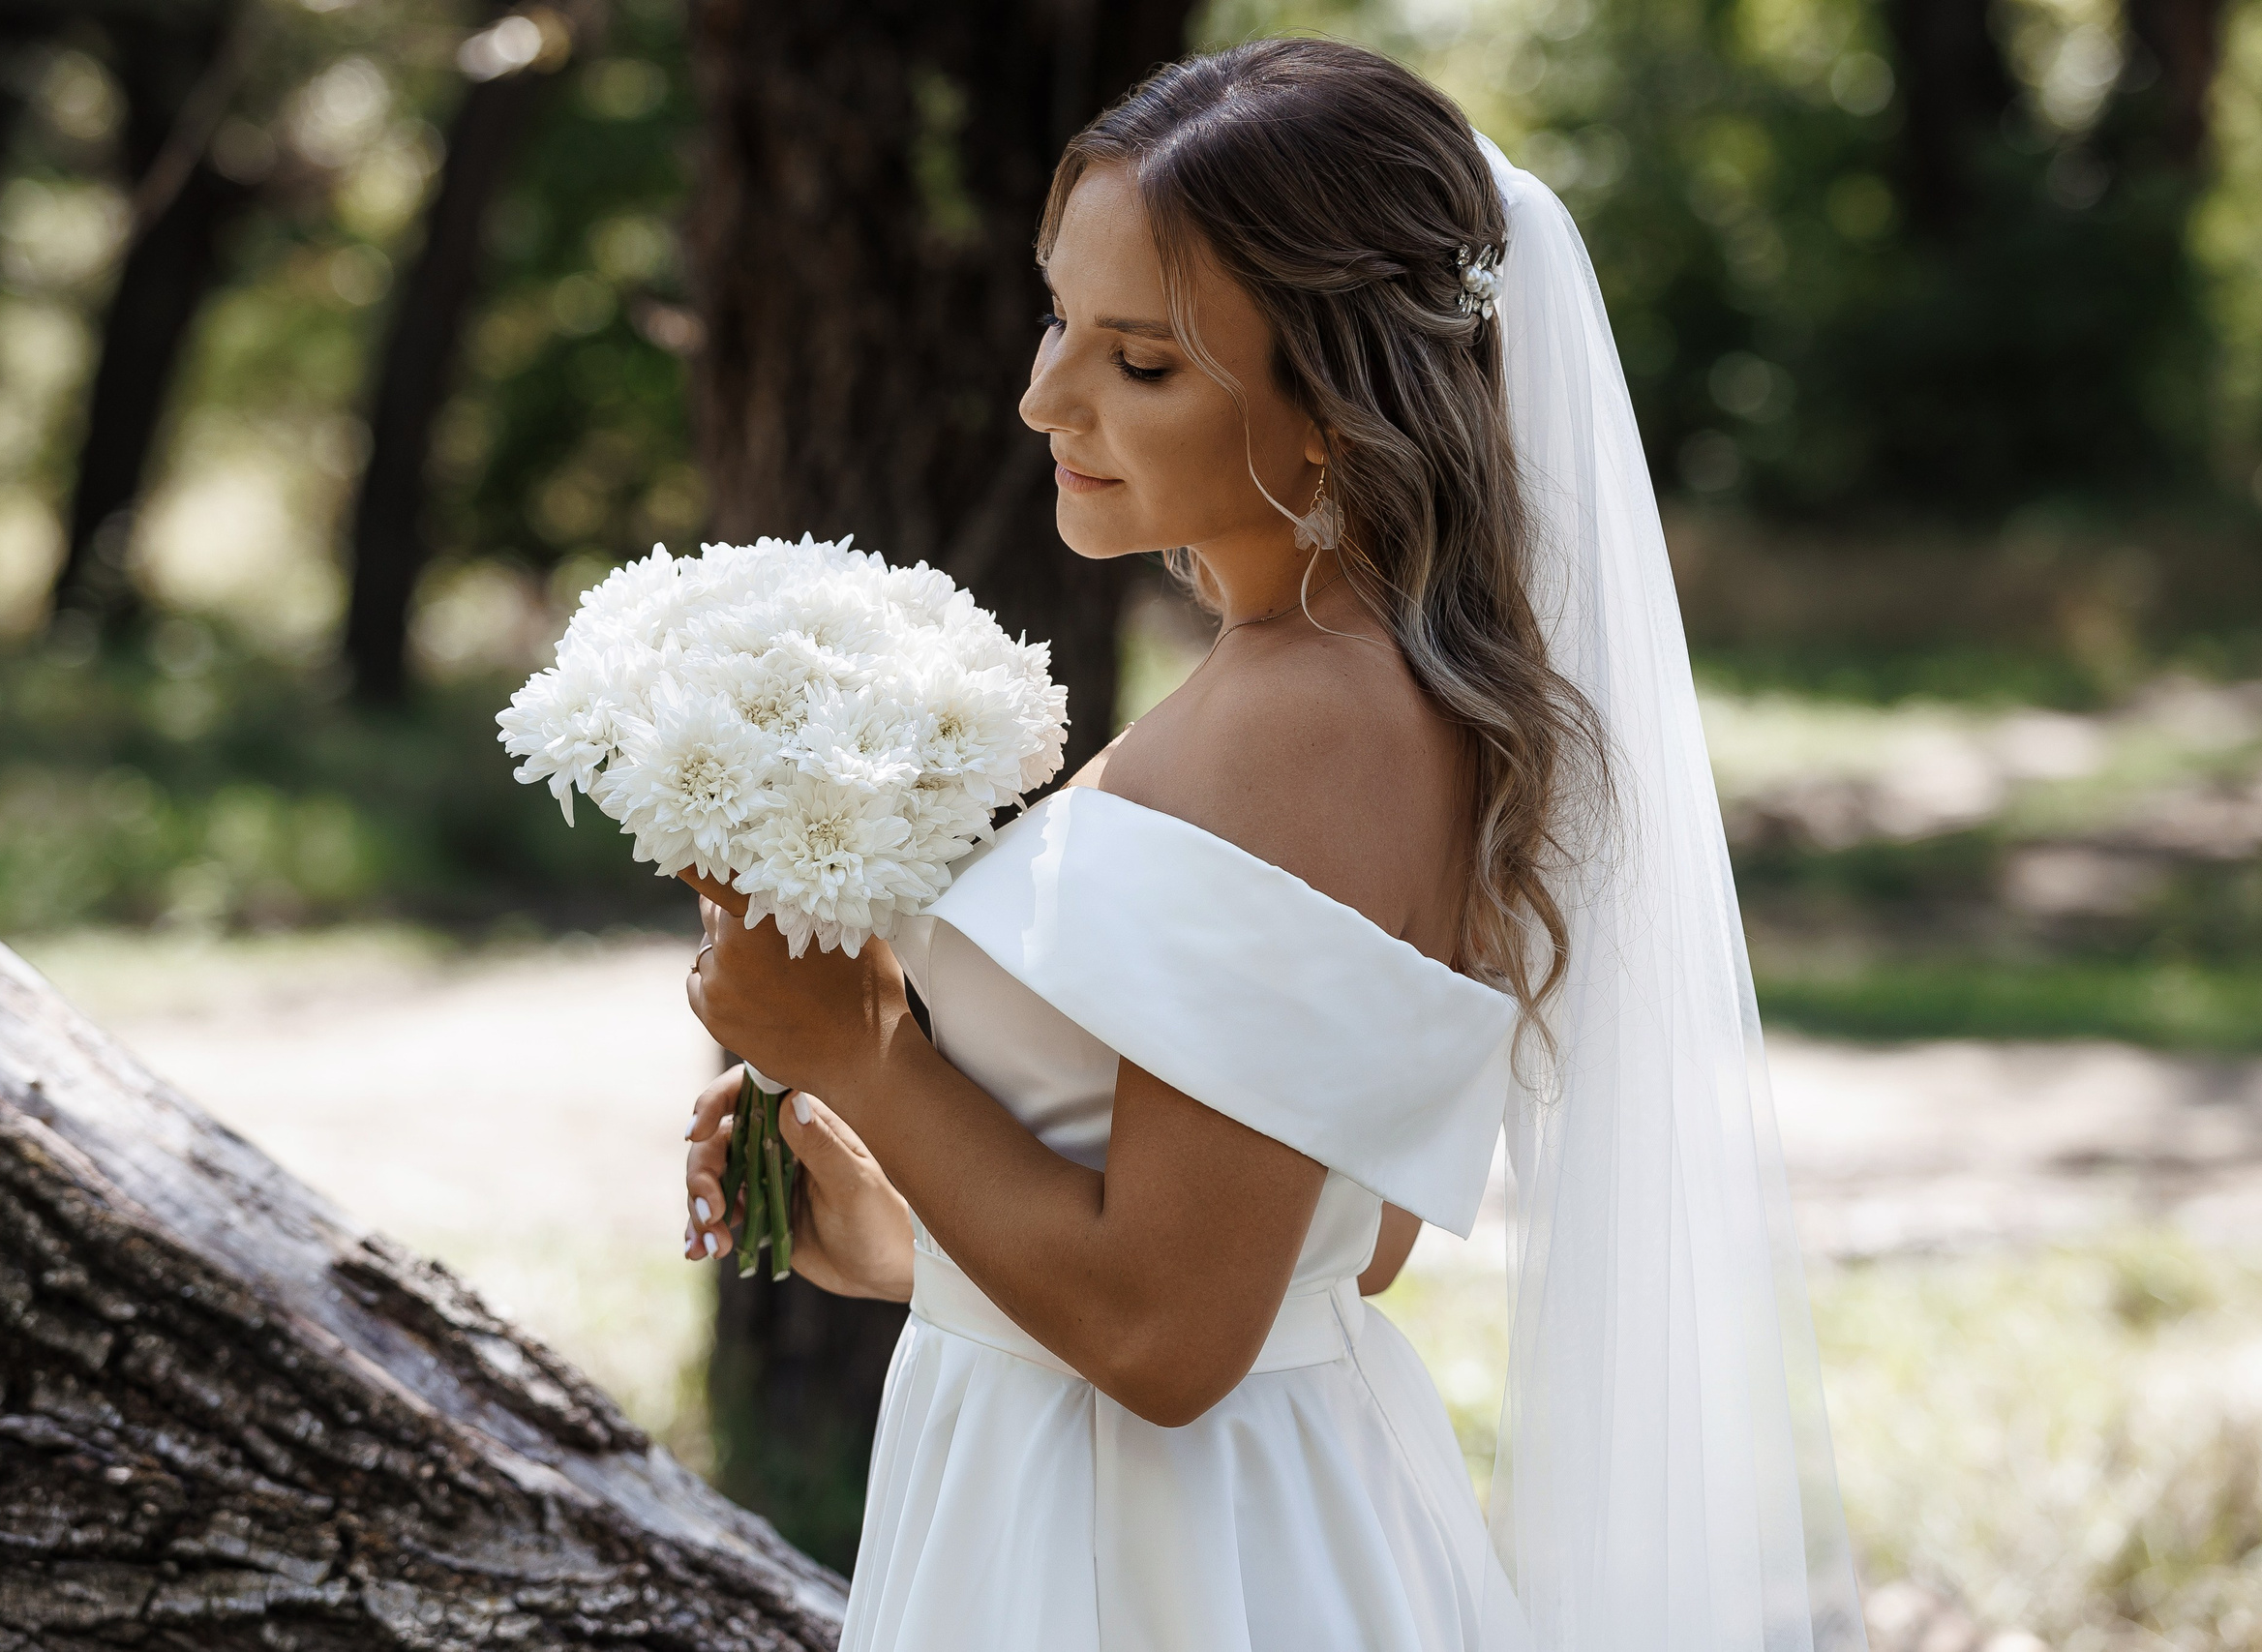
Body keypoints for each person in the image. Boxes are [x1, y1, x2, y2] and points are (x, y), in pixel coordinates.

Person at [677, 35, 1866, 1652]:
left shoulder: (1304, 720)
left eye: (1142, 362)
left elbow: (1173, 1340)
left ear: (1338, 410)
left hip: (1164, 1559)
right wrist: (912, 1240)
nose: (1044, 398)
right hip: (1180, 1499)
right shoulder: (1348, 687)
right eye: (1056, 321)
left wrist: (863, 1051)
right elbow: (1335, 1247)